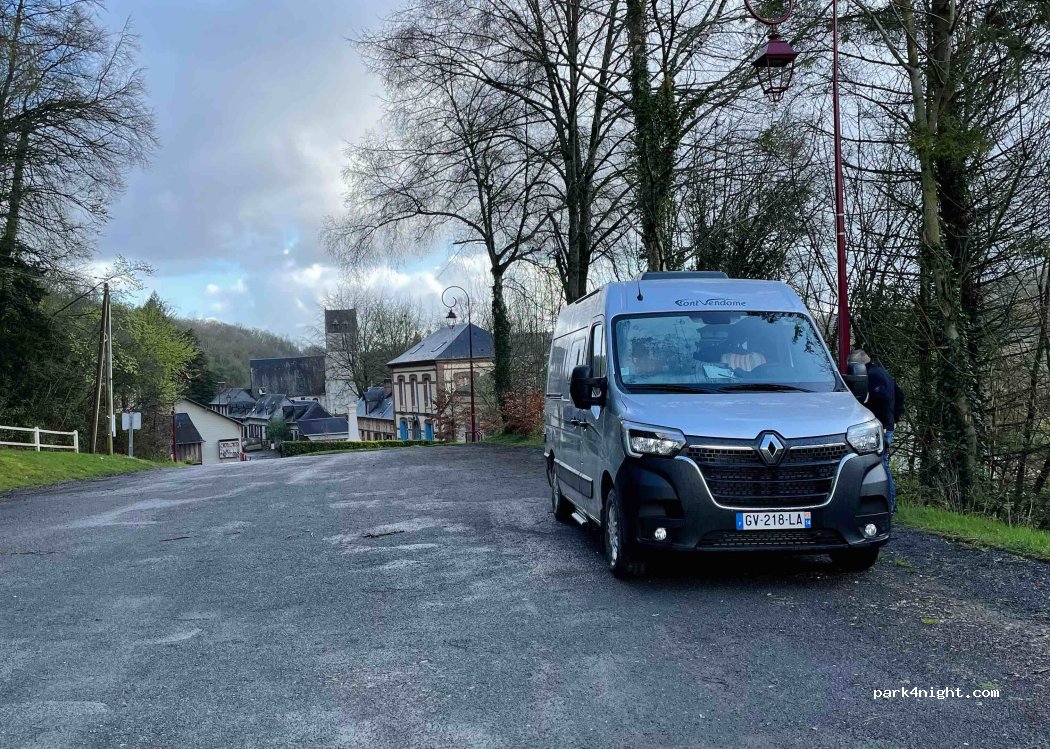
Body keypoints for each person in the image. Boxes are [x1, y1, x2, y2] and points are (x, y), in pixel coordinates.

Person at [849, 349, 905, 511]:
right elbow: (899, 395)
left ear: (858, 365)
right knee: (883, 464)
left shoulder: (872, 377)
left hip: (880, 427)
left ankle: (890, 505)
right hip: (886, 425)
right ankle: (890, 504)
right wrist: (894, 420)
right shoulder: (883, 373)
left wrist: (881, 423)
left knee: (881, 465)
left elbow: (881, 399)